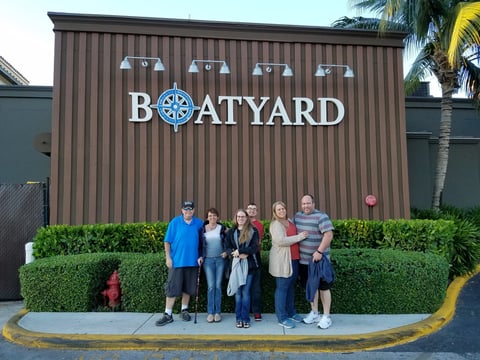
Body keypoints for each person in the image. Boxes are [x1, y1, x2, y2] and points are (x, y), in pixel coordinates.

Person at [155, 200, 204, 326]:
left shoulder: (199, 223)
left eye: (191, 209)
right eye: (186, 209)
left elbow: (206, 238)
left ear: (194, 210)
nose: (188, 211)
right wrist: (168, 258)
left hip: (193, 262)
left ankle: (184, 310)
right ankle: (168, 314)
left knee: (188, 288)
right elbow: (167, 241)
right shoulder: (175, 222)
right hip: (177, 262)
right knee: (172, 288)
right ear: (182, 210)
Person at [293, 194, 335, 329]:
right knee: (311, 288)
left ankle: (326, 316)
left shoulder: (321, 217)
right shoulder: (297, 217)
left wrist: (319, 252)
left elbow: (329, 235)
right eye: (303, 204)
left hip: (319, 260)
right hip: (304, 261)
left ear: (313, 203)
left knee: (323, 288)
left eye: (308, 203)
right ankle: (315, 313)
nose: (306, 206)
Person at [269, 201, 309, 329]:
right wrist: (299, 237)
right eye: (278, 209)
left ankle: (291, 313)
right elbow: (280, 241)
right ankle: (282, 317)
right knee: (282, 288)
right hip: (283, 261)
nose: (281, 211)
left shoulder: (290, 221)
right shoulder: (275, 224)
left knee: (291, 287)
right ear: (274, 212)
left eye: (283, 208)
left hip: (294, 258)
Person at [225, 209, 260, 329]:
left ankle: (245, 318)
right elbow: (227, 247)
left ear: (246, 218)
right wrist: (235, 254)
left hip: (249, 266)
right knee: (238, 293)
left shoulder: (253, 231)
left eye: (243, 216)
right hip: (235, 266)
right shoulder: (231, 232)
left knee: (246, 293)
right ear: (236, 218)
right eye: (238, 216)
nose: (241, 218)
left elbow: (255, 247)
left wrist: (242, 251)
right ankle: (238, 318)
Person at [199, 207, 229, 323]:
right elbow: (200, 245)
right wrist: (200, 256)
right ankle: (210, 312)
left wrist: (227, 251)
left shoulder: (222, 228)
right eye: (210, 216)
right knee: (211, 286)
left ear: (217, 217)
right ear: (207, 217)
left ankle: (218, 313)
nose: (212, 218)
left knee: (218, 286)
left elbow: (229, 241)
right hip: (208, 261)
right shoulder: (202, 229)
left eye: (214, 215)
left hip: (220, 260)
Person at [246, 202, 264, 321]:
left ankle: (256, 311)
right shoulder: (241, 222)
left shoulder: (259, 225)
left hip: (255, 257)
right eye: (250, 209)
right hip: (243, 258)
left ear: (256, 212)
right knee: (244, 287)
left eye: (254, 209)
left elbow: (258, 242)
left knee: (256, 287)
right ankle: (245, 310)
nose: (252, 211)